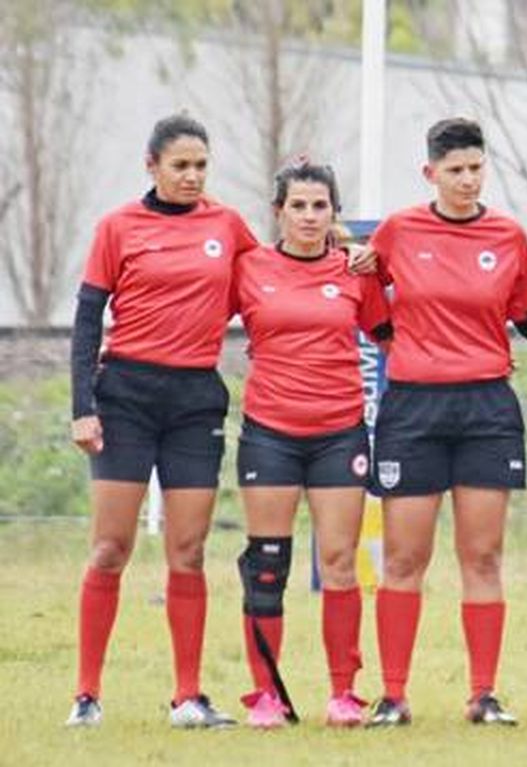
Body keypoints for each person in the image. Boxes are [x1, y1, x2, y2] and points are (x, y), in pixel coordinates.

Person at [67, 113, 259, 728]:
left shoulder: (227, 226)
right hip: (125, 396)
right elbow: (87, 321)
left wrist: (341, 244)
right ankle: (87, 696)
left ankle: (188, 698)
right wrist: (82, 408)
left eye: (201, 165)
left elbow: (278, 276)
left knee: (189, 550)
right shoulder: (117, 227)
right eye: (180, 165)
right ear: (151, 166)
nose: (192, 176)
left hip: (195, 401)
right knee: (110, 548)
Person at [363, 118, 527, 727]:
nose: (467, 180)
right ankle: (393, 695)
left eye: (475, 168)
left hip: (486, 409)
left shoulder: (509, 235)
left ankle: (483, 694)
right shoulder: (398, 232)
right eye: (455, 171)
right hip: (413, 408)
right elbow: (368, 302)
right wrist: (404, 344)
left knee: (483, 555)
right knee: (403, 558)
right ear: (430, 174)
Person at [231, 160, 391, 728]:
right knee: (268, 564)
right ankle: (266, 695)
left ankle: (343, 694)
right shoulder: (249, 268)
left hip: (339, 433)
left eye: (319, 205)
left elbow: (392, 334)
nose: (308, 216)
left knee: (341, 562)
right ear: (279, 211)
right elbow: (197, 319)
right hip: (270, 432)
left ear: (333, 213)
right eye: (297, 205)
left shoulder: (355, 270)